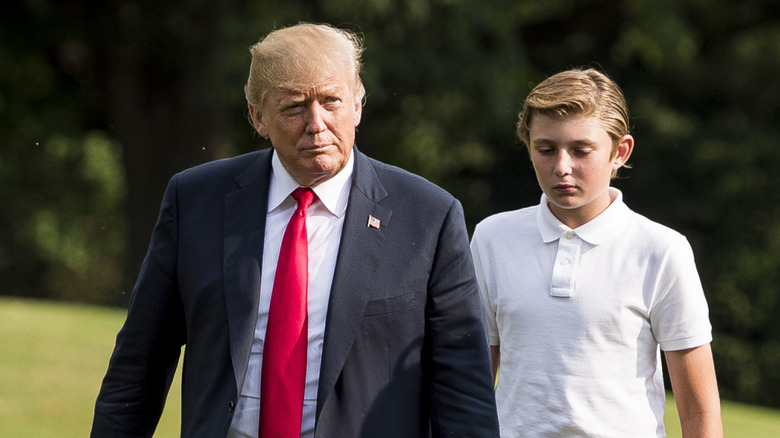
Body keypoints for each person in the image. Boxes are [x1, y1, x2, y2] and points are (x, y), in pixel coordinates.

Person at [91, 23, 499, 438]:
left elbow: (463, 390)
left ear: (357, 104)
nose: (316, 123)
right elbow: (139, 361)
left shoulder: (428, 216)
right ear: (258, 117)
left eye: (332, 101)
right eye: (294, 107)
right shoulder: (195, 200)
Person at [470, 68, 722, 437]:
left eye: (580, 150)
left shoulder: (661, 250)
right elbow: (472, 383)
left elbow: (700, 413)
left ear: (620, 152)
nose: (562, 167)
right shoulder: (493, 237)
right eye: (545, 149)